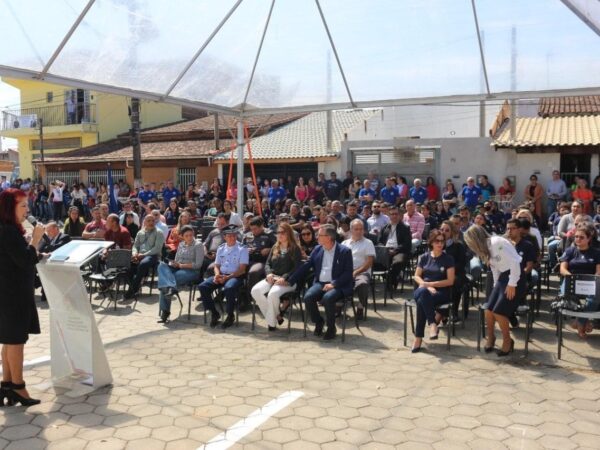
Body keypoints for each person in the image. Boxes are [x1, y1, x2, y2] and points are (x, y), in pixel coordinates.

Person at [0, 188, 45, 406]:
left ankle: (6, 385)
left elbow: (17, 257)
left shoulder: (7, 228)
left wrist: (33, 250)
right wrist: (35, 240)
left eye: (28, 205)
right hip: (13, 295)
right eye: (23, 206)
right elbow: (24, 260)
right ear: (10, 208)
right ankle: (18, 387)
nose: (27, 210)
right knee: (16, 341)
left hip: (8, 293)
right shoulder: (8, 230)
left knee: (8, 340)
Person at [463, 225, 524, 356]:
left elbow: (514, 262)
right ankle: (491, 338)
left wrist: (512, 283)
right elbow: (495, 268)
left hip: (515, 277)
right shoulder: (486, 248)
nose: (470, 246)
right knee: (489, 310)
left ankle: (507, 341)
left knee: (499, 312)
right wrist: (497, 286)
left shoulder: (496, 243)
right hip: (503, 278)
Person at [286, 224, 353, 340]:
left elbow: (348, 273)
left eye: (320, 235)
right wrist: (290, 280)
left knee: (328, 298)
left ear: (329, 237)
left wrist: (334, 284)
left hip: (338, 285)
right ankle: (319, 322)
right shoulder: (317, 249)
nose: (317, 237)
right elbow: (306, 266)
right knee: (308, 297)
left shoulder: (344, 251)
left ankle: (331, 328)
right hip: (321, 283)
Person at [411, 230, 456, 352]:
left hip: (440, 293)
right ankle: (432, 324)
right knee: (423, 294)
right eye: (437, 241)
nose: (440, 244)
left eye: (442, 241)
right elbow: (416, 276)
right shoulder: (424, 257)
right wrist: (426, 286)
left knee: (421, 300)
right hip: (423, 290)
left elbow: (450, 281)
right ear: (431, 242)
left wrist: (429, 284)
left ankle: (418, 338)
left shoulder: (448, 258)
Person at [251, 222, 302, 330]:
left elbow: (296, 268)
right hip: (272, 277)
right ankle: (276, 316)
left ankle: (272, 324)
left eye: (283, 232)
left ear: (289, 233)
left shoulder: (295, 248)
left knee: (272, 294)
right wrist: (269, 274)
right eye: (278, 232)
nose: (280, 234)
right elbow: (268, 263)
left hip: (287, 280)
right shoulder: (275, 246)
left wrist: (284, 277)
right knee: (255, 291)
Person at [199, 225, 249, 328]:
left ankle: (230, 315)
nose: (232, 238)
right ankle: (214, 313)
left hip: (236, 276)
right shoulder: (221, 248)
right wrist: (217, 275)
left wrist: (227, 277)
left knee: (229, 288)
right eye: (229, 236)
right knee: (203, 286)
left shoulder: (242, 248)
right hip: (221, 275)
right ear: (224, 237)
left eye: (234, 235)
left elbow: (242, 270)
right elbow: (217, 265)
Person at [559, 223, 600, 339]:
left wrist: (593, 280)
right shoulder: (570, 251)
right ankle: (584, 322)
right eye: (576, 236)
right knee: (564, 294)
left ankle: (580, 322)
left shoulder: (597, 253)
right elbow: (563, 269)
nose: (578, 239)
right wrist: (571, 277)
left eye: (581, 237)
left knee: (596, 297)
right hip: (571, 280)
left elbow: (598, 272)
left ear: (589, 239)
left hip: (590, 282)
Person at [157, 225, 204, 324]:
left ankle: (165, 313)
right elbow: (177, 260)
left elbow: (198, 265)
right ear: (182, 236)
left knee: (164, 284)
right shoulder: (181, 244)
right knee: (162, 266)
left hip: (192, 271)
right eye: (186, 236)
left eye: (191, 235)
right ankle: (171, 289)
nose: (189, 237)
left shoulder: (198, 245)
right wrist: (174, 263)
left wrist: (181, 265)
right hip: (178, 267)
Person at [125, 214, 165, 299]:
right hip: (139, 255)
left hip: (153, 256)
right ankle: (135, 285)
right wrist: (134, 253)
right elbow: (135, 246)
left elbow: (157, 249)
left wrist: (143, 255)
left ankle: (133, 289)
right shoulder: (140, 232)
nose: (151, 222)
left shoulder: (159, 232)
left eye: (153, 221)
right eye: (149, 221)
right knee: (126, 265)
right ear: (144, 222)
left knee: (143, 264)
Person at [342, 219, 375, 320]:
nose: (359, 231)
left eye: (361, 229)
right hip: (346, 272)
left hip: (362, 272)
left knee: (363, 284)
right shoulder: (344, 243)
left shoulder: (368, 243)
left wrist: (356, 272)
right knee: (335, 281)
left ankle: (360, 307)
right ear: (351, 230)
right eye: (356, 229)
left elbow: (369, 262)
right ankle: (338, 305)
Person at [378, 206, 412, 293]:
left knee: (398, 262)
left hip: (399, 251)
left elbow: (406, 244)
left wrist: (395, 250)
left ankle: (390, 281)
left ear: (399, 215)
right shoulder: (384, 227)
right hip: (386, 251)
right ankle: (393, 279)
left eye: (396, 214)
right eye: (392, 214)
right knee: (376, 263)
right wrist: (385, 250)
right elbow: (379, 242)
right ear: (389, 215)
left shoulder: (405, 228)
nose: (394, 216)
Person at [440, 220, 467, 320]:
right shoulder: (435, 245)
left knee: (454, 282)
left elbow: (461, 263)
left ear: (451, 232)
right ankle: (438, 311)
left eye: (447, 230)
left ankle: (454, 311)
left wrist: (449, 270)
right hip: (439, 272)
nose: (443, 232)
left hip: (456, 273)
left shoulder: (458, 245)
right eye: (442, 229)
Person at [243, 216, 276, 294]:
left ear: (261, 226)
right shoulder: (247, 235)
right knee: (233, 269)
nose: (253, 231)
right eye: (251, 229)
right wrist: (245, 250)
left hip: (262, 261)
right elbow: (241, 247)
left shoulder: (269, 234)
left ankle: (251, 297)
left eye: (255, 229)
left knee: (253, 272)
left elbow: (278, 247)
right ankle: (241, 295)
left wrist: (269, 249)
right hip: (248, 259)